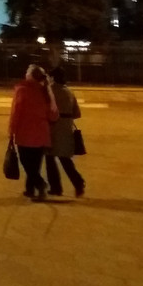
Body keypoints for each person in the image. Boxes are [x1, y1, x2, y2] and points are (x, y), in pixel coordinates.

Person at [8, 64, 59, 200]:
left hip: (25, 133)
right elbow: (54, 115)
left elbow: (16, 112)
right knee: (35, 165)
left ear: (30, 75)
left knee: (26, 163)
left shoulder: (22, 90)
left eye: (27, 72)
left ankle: (41, 185)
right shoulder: (46, 91)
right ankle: (30, 189)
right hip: (41, 134)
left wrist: (11, 130)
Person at [45, 66, 86, 197]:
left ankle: (56, 187)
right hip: (66, 127)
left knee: (49, 157)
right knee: (65, 159)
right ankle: (78, 182)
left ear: (52, 77)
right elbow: (77, 113)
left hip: (52, 126)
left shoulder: (49, 91)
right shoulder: (69, 91)